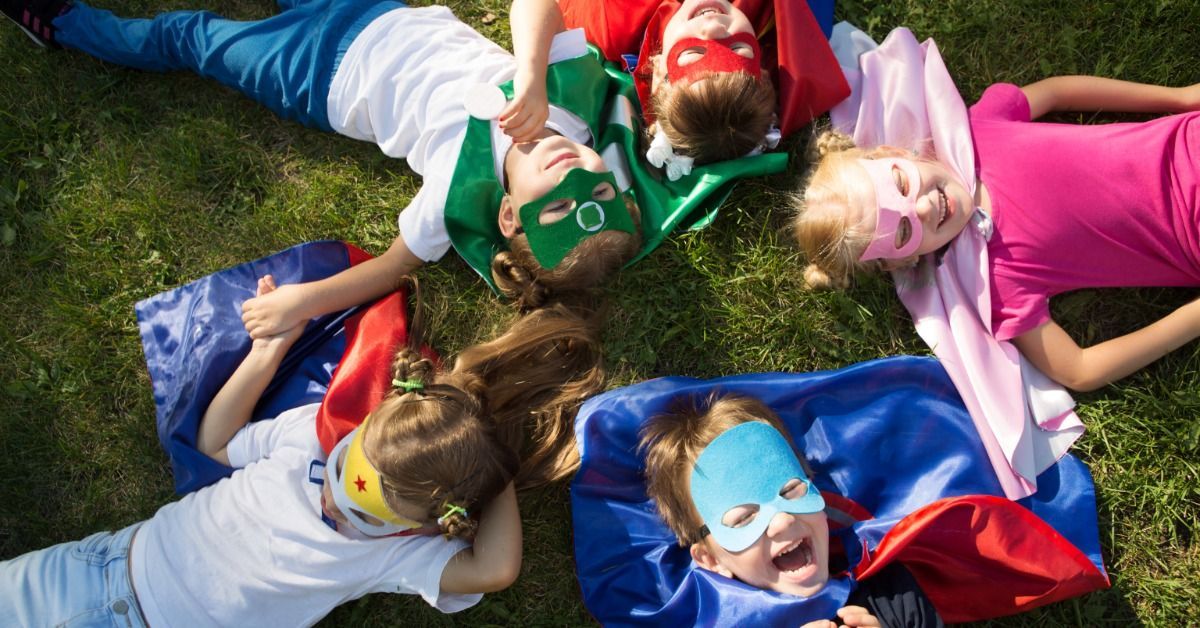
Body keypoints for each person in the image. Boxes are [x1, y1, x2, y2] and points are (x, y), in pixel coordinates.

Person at [0, 274, 603, 626]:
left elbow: (495, 570)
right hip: (101, 563)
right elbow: (217, 444)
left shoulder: (397, 554)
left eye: (365, 514)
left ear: (431, 522)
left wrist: (491, 471)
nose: (332, 503)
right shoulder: (308, 439)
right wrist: (268, 352)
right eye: (342, 469)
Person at [1, 0, 644, 328]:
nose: (569, 174)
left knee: (191, 36)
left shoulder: (458, 187)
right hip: (380, 13)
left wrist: (301, 304)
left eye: (557, 205)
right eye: (597, 189)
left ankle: (63, 24)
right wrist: (531, 75)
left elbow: (392, 268)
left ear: (508, 214)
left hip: (318, 74)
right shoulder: (573, 110)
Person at [794, 74, 1200, 392]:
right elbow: (1078, 370)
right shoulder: (999, 281)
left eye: (900, 185)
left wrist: (1179, 98)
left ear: (894, 154)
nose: (922, 207)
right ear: (903, 259)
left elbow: (1056, 92)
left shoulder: (979, 129)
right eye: (902, 230)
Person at [640, 393, 942, 627]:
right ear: (709, 559)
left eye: (790, 491)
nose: (782, 520)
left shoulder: (892, 593)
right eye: (744, 517)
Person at [558, 0, 849, 171]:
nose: (713, 27)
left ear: (658, 71)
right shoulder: (789, 19)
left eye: (692, 53)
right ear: (762, 68)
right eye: (739, 49)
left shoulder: (612, 21)